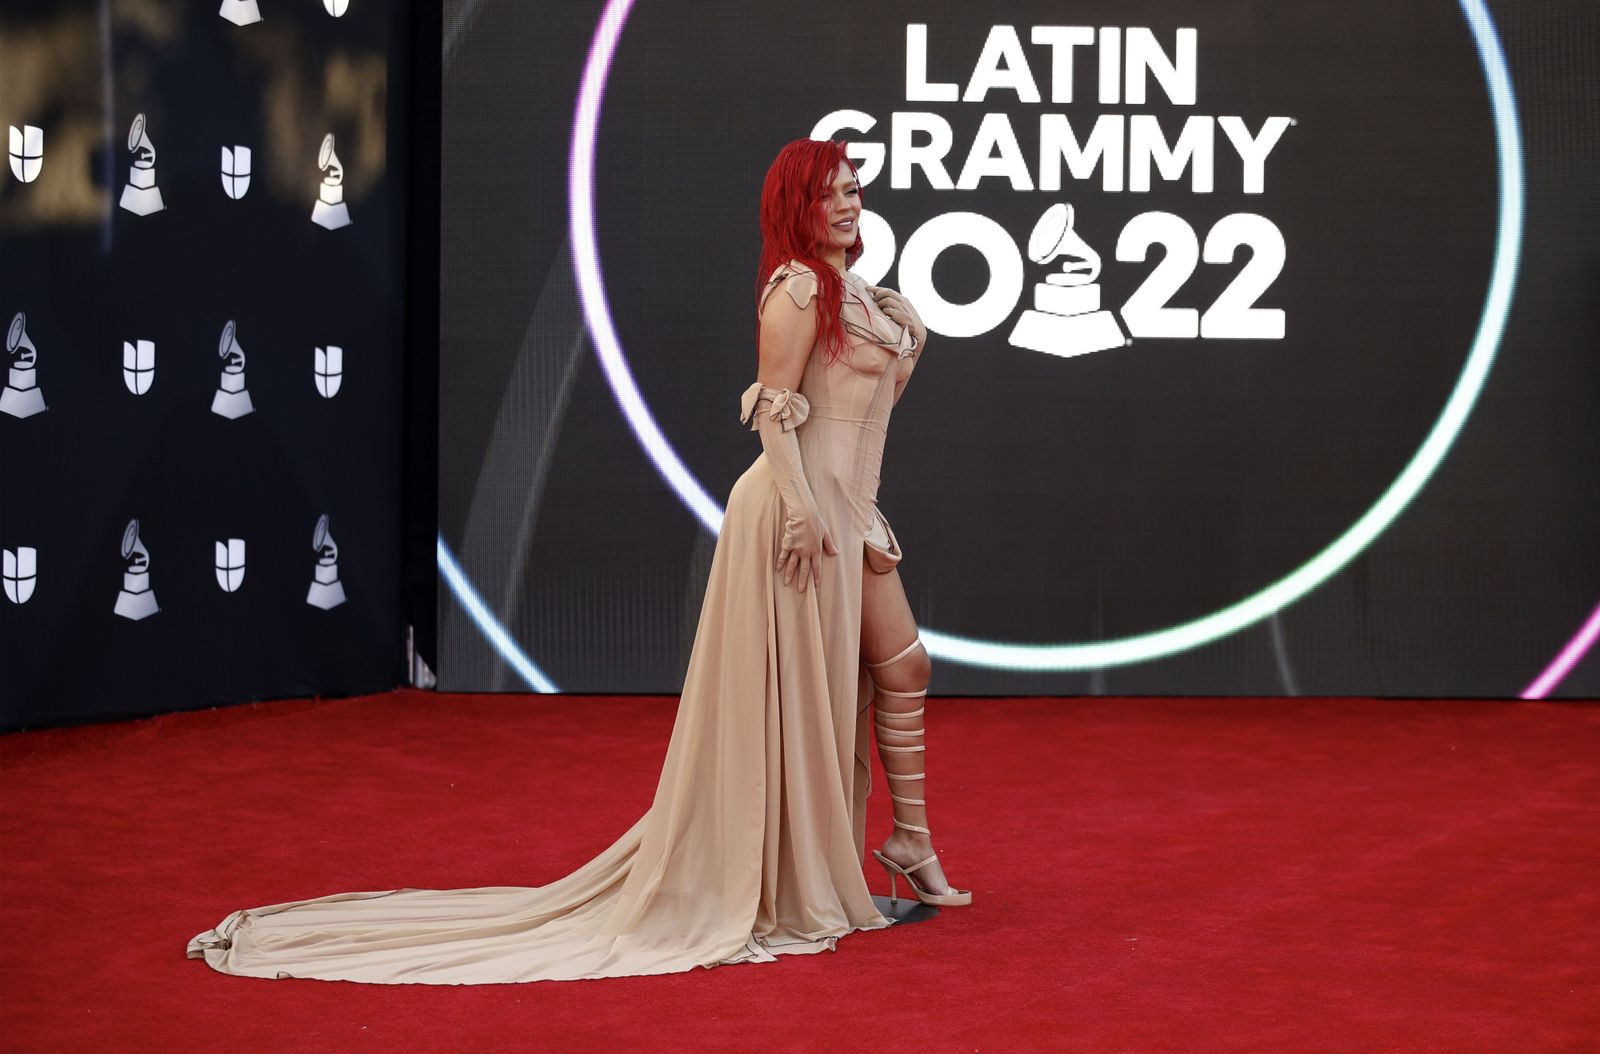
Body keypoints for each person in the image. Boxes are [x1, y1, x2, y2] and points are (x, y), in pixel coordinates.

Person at [185, 138, 968, 986]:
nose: (849, 205)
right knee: (838, 687)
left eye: (854, 191)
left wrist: (899, 342)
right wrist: (801, 509)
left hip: (849, 517)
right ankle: (857, 857)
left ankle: (910, 840)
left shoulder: (854, 292)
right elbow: (775, 414)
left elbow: (863, 406)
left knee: (902, 666)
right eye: (831, 196)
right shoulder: (798, 289)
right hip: (795, 517)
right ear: (797, 208)